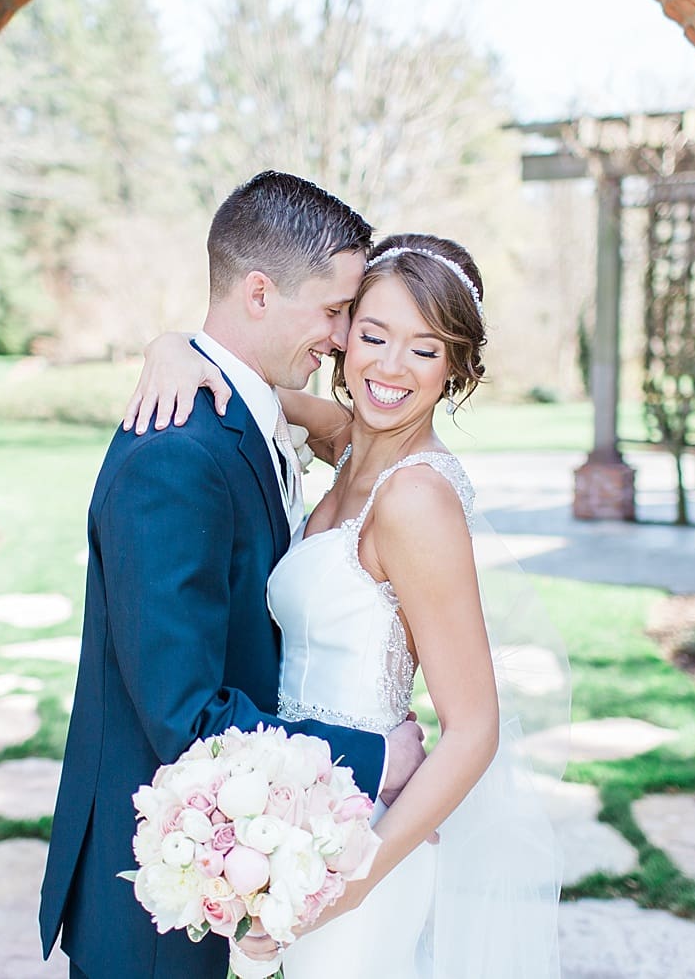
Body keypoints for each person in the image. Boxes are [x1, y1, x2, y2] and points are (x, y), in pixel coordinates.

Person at [127, 233, 562, 977]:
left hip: (362, 849)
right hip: (290, 823)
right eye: (373, 334)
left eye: (425, 350)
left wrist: (349, 885)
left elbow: (474, 728)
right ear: (340, 337)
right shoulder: (353, 443)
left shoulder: (416, 498)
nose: (390, 367)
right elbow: (236, 371)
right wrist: (169, 347)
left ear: (456, 368)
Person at [38, 172, 431, 979]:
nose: (339, 338)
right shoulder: (176, 456)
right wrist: (371, 759)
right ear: (258, 291)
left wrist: (172, 341)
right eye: (332, 312)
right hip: (159, 901)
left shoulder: (250, 412)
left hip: (249, 861)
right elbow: (183, 716)